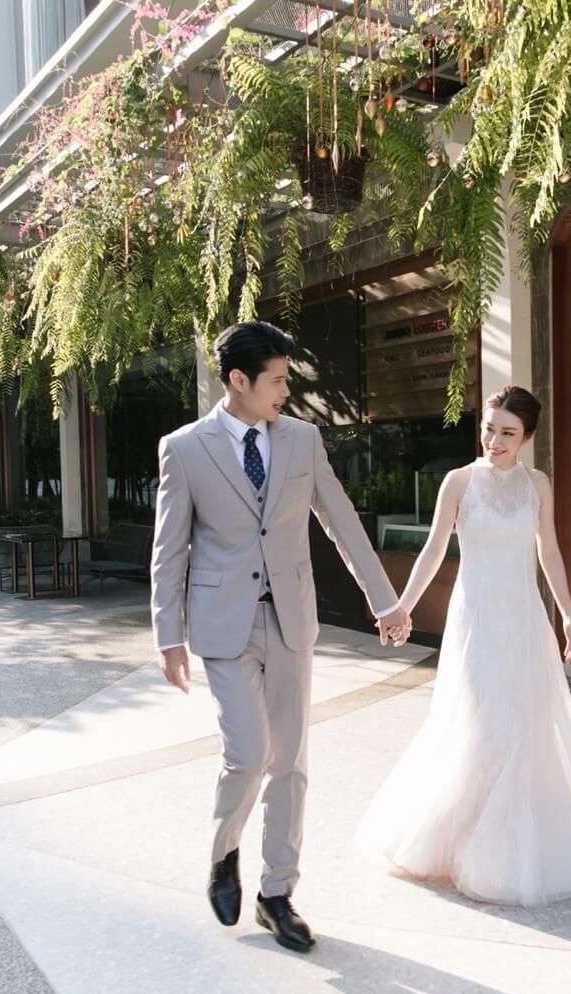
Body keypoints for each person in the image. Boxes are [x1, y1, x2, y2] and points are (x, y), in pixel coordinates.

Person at [150, 321, 413, 953]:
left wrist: (385, 600)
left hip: (291, 619)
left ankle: (276, 894)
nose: (286, 391)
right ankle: (223, 855)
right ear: (239, 381)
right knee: (248, 756)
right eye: (276, 380)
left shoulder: (302, 440)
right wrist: (167, 636)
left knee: (290, 762)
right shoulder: (184, 449)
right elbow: (170, 548)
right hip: (225, 624)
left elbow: (341, 519)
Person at [356, 386, 571, 906]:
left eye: (507, 433)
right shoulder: (459, 481)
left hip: (524, 621)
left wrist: (568, 615)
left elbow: (549, 551)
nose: (494, 441)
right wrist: (402, 607)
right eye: (489, 429)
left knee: (522, 727)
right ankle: (454, 838)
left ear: (528, 438)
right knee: (480, 724)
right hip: (475, 622)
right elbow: (433, 549)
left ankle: (512, 846)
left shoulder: (538, 484)